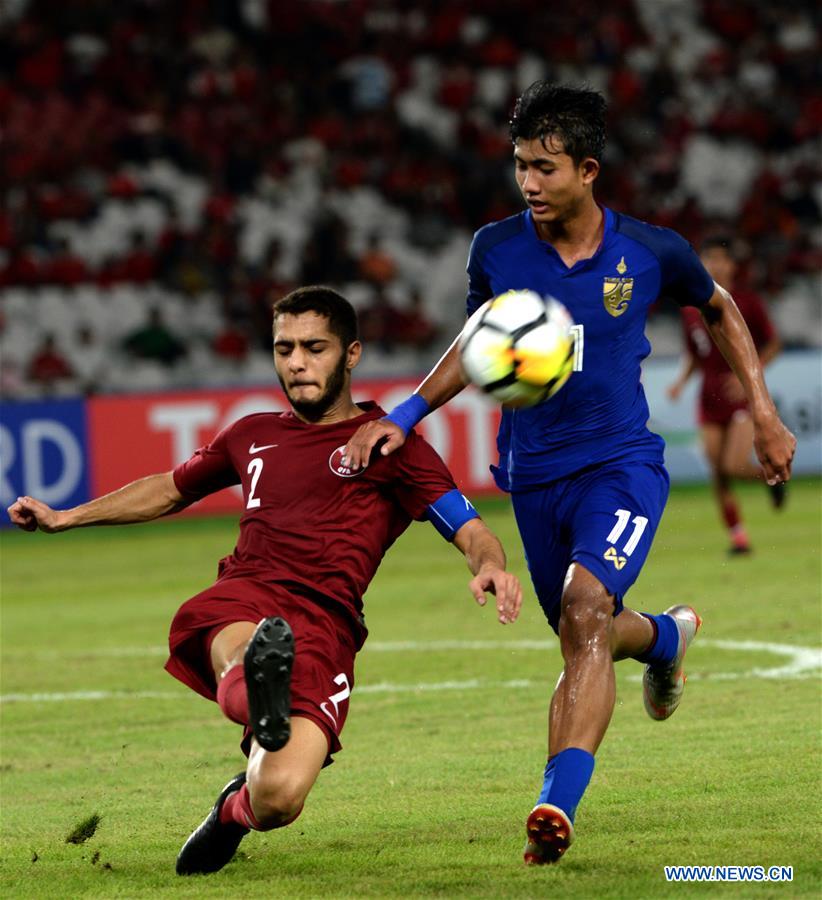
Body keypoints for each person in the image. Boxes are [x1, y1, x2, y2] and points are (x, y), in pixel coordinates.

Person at [341, 82, 796, 865]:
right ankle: (664, 638)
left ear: (587, 169)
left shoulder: (651, 251)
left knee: (586, 609)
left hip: (621, 465)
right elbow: (479, 340)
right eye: (519, 165)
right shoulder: (497, 249)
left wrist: (762, 410)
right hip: (534, 477)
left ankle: (557, 803)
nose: (528, 183)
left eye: (544, 168)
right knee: (582, 631)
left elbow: (719, 310)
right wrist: (407, 414)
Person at [7, 286, 522, 876]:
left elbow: (469, 528)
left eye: (313, 347)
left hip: (327, 624)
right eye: (284, 349)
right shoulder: (251, 433)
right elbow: (171, 488)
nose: (296, 362)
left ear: (351, 354)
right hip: (246, 593)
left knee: (279, 799)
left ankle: (235, 808)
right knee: (248, 646)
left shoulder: (391, 446)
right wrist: (67, 516)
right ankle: (259, 686)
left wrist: (490, 566)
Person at [667, 237, 784, 554]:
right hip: (708, 396)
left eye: (721, 259)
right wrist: (680, 382)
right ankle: (738, 538)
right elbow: (695, 354)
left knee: (733, 464)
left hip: (741, 395)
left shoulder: (746, 302)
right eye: (709, 259)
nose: (715, 265)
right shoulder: (690, 309)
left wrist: (749, 372)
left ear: (732, 265)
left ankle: (770, 479)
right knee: (717, 470)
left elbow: (773, 344)